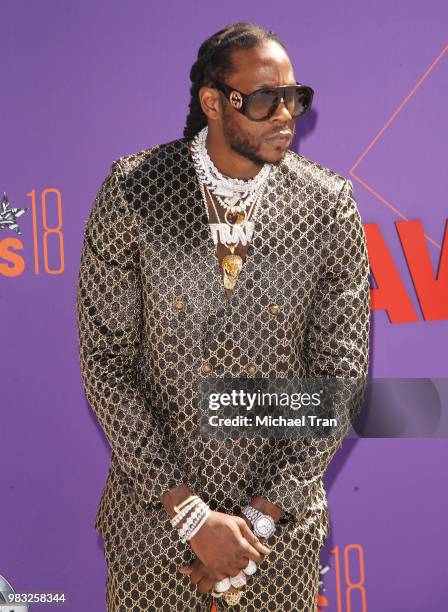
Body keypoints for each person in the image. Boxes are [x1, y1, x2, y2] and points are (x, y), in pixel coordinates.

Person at [76, 21, 370, 612]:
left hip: (278, 536)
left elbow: (340, 376)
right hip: (154, 527)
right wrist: (189, 514)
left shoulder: (328, 204)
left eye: (295, 96)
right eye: (265, 99)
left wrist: (256, 524)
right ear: (214, 102)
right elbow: (107, 363)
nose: (286, 113)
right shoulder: (134, 192)